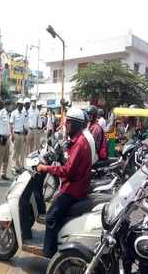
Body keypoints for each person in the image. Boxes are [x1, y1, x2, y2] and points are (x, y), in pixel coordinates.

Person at [36, 107, 92, 258]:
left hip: (73, 189)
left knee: (51, 217)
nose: (65, 126)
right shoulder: (78, 140)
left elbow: (67, 170)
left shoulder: (80, 144)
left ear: (74, 124)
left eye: (67, 123)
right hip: (77, 186)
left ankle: (50, 255)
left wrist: (46, 168)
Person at [0, 99, 12, 181]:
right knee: (0, 157)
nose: (10, 106)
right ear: (5, 105)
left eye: (10, 104)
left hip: (8, 137)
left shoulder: (9, 114)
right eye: (8, 105)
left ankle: (3, 173)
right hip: (2, 138)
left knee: (6, 157)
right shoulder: (1, 113)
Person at [10, 99, 27, 171]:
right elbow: (11, 124)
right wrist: (12, 134)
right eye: (20, 105)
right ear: (17, 105)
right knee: (15, 151)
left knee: (21, 151)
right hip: (15, 134)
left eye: (22, 105)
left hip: (21, 134)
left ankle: (20, 166)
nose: (21, 106)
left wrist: (25, 136)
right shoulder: (13, 113)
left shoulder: (23, 114)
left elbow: (23, 125)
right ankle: (13, 167)